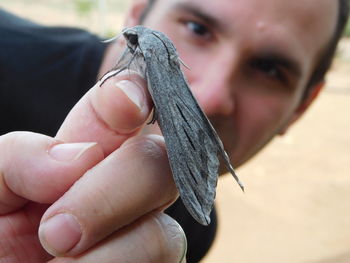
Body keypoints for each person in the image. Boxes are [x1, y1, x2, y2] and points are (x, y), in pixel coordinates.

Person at [0, 0, 348, 262]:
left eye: (269, 69)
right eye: (197, 29)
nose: (209, 97)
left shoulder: (193, 229)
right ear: (134, 15)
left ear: (301, 108)